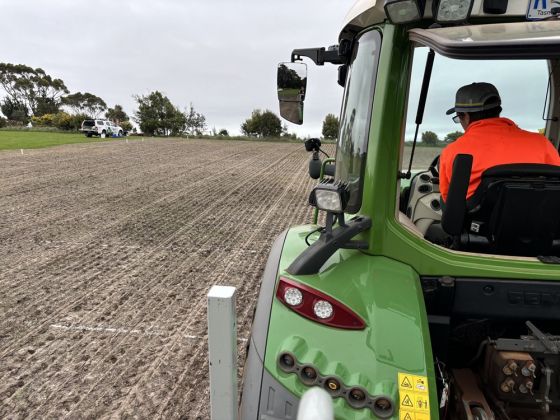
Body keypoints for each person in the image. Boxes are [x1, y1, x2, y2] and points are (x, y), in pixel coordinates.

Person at [439, 82, 560, 203]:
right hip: (539, 218)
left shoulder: (453, 151)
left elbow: (448, 199)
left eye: (458, 118)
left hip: (480, 221)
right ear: (498, 111)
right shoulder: (542, 143)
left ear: (463, 116)